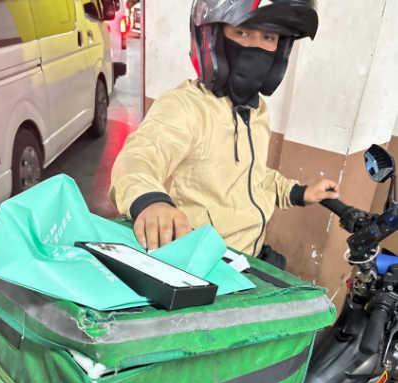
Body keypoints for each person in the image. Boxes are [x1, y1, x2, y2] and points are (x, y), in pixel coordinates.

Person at [110, 0, 340, 266]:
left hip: (249, 257)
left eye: (269, 37)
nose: (256, 47)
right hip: (204, 263)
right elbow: (139, 157)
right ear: (214, 38)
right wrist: (151, 202)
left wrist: (300, 192)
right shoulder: (186, 106)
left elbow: (253, 175)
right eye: (242, 32)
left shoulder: (257, 112)